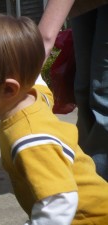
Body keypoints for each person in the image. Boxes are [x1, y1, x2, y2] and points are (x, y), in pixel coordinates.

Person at [0, 14, 108, 224]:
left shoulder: (29, 140)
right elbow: (38, 82)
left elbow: (59, 202)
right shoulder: (32, 98)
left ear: (9, 89)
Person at [38, 0, 108, 180]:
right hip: (83, 5)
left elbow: (46, 36)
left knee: (103, 96)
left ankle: (95, 185)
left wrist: (45, 38)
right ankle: (86, 165)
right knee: (82, 90)